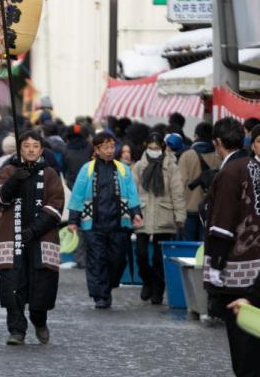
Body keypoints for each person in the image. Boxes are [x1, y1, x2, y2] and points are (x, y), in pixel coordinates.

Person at [0, 129, 64, 345]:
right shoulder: (9, 169)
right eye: (26, 145)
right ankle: (16, 330)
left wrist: (34, 230)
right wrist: (15, 180)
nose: (31, 149)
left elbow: (56, 205)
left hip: (41, 238)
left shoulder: (50, 173)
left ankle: (39, 319)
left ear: (41, 149)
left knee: (41, 283)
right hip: (12, 236)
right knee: (12, 283)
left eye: (35, 146)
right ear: (20, 149)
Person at [206, 119, 260, 377]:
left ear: (217, 142)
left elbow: (223, 221)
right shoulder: (252, 165)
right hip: (257, 258)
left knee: (239, 323)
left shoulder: (231, 171)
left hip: (237, 260)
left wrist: (215, 263)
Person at [67, 130, 143, 309]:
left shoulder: (122, 169)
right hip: (93, 223)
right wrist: (73, 220)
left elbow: (132, 193)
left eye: (112, 147)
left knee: (117, 259)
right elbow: (77, 195)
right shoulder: (88, 169)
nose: (110, 150)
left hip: (119, 222)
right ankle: (100, 294)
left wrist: (136, 213)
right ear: (97, 149)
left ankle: (107, 286)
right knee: (97, 259)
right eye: (105, 147)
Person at [132, 127, 186, 305]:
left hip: (164, 214)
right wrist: (130, 213)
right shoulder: (139, 166)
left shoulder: (171, 165)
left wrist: (180, 216)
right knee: (140, 253)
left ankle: (158, 288)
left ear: (162, 147)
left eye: (157, 148)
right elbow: (132, 191)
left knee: (158, 257)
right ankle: (147, 281)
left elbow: (177, 192)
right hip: (143, 213)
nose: (153, 151)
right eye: (151, 147)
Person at [176, 122, 217, 241]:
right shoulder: (218, 156)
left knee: (188, 246)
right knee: (205, 247)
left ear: (196, 136)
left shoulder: (187, 155)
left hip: (189, 208)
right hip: (210, 209)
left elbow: (180, 182)